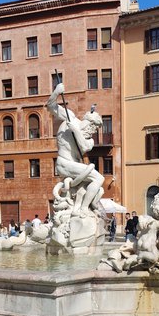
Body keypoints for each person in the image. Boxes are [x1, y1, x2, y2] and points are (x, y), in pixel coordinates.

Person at [46, 82, 104, 216]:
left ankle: (87, 207)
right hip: (64, 164)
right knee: (98, 178)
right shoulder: (70, 118)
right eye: (94, 127)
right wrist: (56, 92)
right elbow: (50, 106)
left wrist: (76, 131)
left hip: (75, 167)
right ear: (89, 123)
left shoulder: (89, 141)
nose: (94, 131)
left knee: (94, 188)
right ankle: (83, 209)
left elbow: (83, 146)